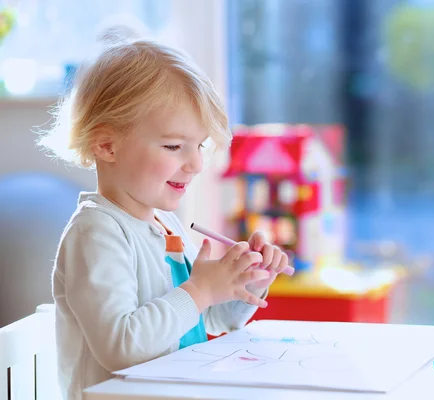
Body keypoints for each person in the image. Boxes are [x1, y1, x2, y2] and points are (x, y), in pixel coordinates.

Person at [37, 29, 288, 400]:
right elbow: (121, 346)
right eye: (174, 146)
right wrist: (200, 290)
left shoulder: (163, 223)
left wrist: (243, 281)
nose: (196, 163)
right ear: (106, 145)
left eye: (199, 145)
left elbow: (207, 319)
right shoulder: (96, 233)